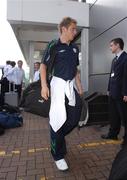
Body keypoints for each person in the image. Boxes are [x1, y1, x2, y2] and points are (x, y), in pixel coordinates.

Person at [40, 17, 83, 171]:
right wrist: (44, 86)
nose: (75, 31)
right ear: (64, 29)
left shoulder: (75, 48)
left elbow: (75, 69)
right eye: (72, 29)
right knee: (57, 120)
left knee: (74, 116)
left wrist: (79, 85)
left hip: (70, 87)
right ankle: (57, 154)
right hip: (57, 87)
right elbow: (43, 67)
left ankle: (57, 137)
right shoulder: (53, 45)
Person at [101, 38, 127, 147]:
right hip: (112, 92)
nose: (110, 47)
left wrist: (126, 93)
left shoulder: (125, 58)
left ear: (117, 45)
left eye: (111, 45)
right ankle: (113, 134)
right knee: (113, 115)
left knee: (125, 117)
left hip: (121, 94)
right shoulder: (114, 60)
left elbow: (126, 77)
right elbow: (111, 76)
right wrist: (108, 89)